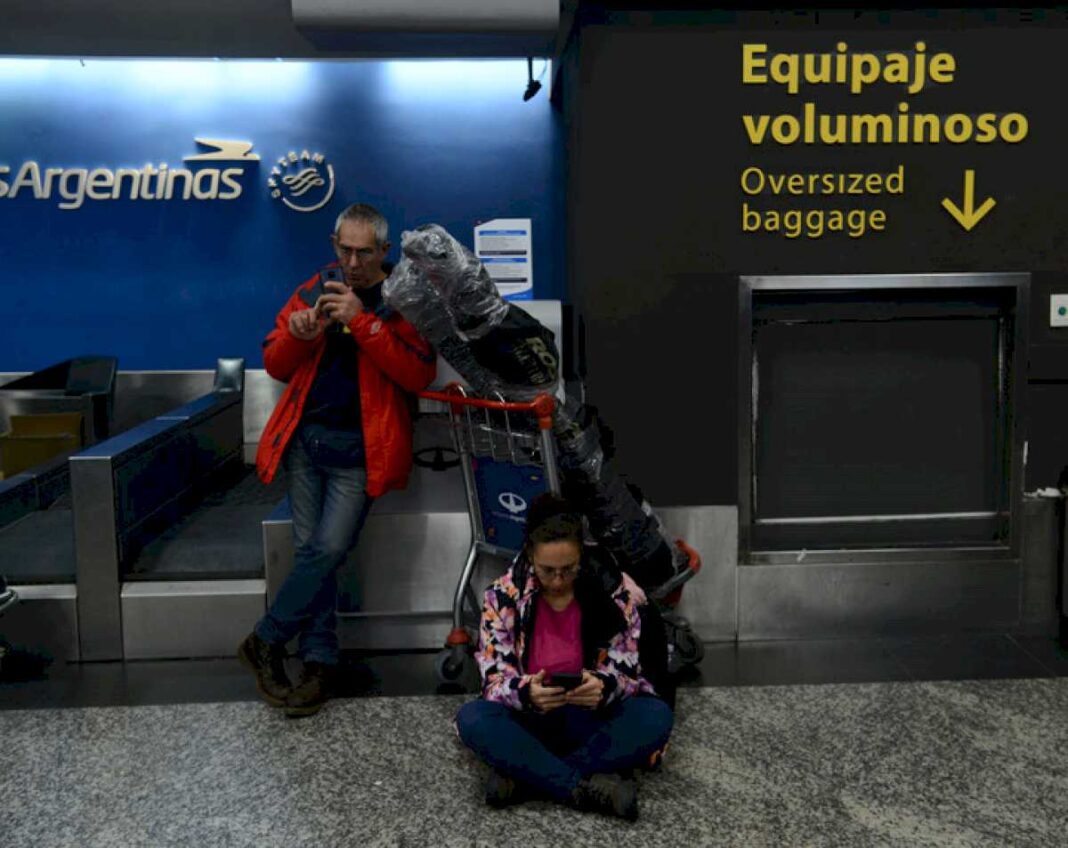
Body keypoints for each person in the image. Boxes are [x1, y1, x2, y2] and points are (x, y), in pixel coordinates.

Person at [238, 203, 435, 717]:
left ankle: (266, 638)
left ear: (384, 252)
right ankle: (319, 664)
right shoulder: (314, 288)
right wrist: (298, 335)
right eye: (343, 249)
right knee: (312, 554)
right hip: (306, 445)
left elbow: (417, 374)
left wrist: (363, 322)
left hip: (360, 451)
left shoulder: (403, 299)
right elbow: (275, 364)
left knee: (326, 549)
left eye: (363, 252)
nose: (352, 262)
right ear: (334, 245)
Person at [454, 493, 674, 821]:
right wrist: (527, 693)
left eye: (568, 569)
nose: (558, 580)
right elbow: (493, 681)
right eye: (547, 571)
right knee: (473, 717)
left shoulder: (613, 595)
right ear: (529, 555)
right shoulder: (502, 597)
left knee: (656, 716)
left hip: (590, 719)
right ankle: (582, 785)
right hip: (531, 720)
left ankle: (528, 776)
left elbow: (627, 673)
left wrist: (603, 687)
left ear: (581, 557)